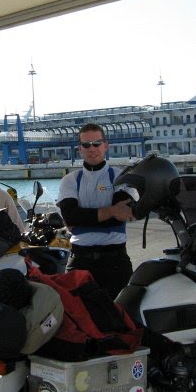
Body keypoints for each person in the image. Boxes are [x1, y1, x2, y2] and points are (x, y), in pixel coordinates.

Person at [57, 123, 136, 299]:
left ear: (105, 145)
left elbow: (119, 218)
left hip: (115, 260)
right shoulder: (70, 180)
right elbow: (70, 215)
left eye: (96, 143)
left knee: (122, 318)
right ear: (80, 149)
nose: (91, 148)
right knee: (77, 318)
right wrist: (111, 211)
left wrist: (82, 218)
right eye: (86, 145)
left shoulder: (120, 176)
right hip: (79, 259)